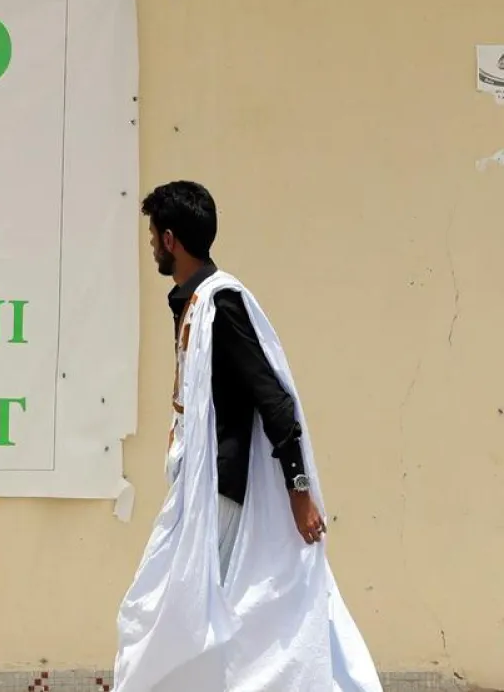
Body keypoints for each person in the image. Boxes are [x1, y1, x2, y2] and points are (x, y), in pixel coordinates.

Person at [112, 180, 381, 692]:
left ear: (170, 239)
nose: (150, 247)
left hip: (225, 495)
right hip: (199, 492)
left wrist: (299, 492)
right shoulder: (193, 304)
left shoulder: (223, 303)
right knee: (177, 617)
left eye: (152, 236)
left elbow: (273, 398)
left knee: (193, 619)